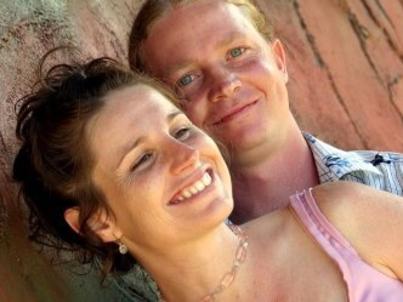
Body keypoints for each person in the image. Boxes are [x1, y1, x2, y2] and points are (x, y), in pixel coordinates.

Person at [13, 57, 403, 302]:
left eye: (181, 131)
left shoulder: (342, 219)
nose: (187, 156)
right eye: (143, 159)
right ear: (99, 221)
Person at [128, 0, 403, 224]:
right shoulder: (186, 265)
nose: (225, 84)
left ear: (280, 61)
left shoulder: (397, 185)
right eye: (187, 79)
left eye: (237, 52)